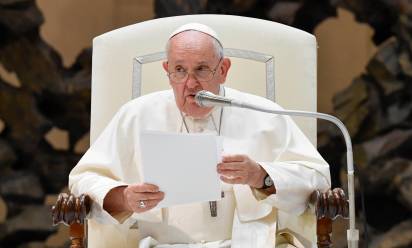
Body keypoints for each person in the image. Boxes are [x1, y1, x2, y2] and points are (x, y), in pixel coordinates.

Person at [69, 23, 331, 248]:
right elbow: (83, 179)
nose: (190, 84)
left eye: (202, 69)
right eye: (180, 70)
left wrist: (260, 176)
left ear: (224, 69)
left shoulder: (263, 114)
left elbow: (318, 179)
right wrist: (124, 196)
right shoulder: (136, 115)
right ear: (167, 70)